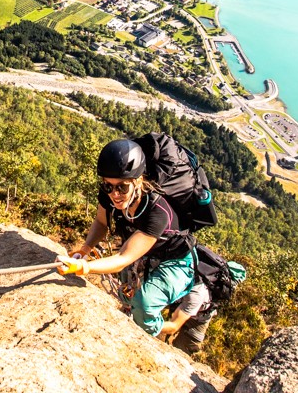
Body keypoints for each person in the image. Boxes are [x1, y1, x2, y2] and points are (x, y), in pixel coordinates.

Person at [55, 138, 206, 339]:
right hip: (143, 255)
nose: (114, 194)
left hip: (175, 261)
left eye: (122, 188)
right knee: (128, 299)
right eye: (108, 186)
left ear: (138, 181)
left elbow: (123, 259)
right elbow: (101, 223)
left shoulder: (158, 212)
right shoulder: (109, 195)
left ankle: (161, 331)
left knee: (144, 306)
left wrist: (83, 267)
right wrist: (84, 249)